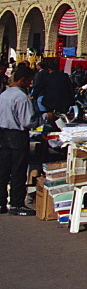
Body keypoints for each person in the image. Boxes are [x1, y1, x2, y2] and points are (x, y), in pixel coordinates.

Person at [0, 65, 39, 215]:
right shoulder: (22, 98)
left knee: (3, 169)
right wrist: (44, 117)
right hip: (17, 135)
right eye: (29, 81)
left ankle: (1, 202)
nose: (30, 84)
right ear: (22, 80)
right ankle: (16, 204)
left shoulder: (4, 95)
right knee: (18, 169)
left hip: (3, 133)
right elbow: (27, 121)